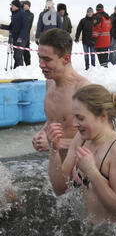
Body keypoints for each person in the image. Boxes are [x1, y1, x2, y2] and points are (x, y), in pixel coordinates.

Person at [46, 84, 116, 224]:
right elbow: (60, 189)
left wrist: (92, 172)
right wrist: (54, 151)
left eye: (80, 118)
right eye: (74, 117)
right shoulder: (81, 139)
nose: (75, 124)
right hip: (94, 231)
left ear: (102, 116)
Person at [32, 28, 90, 165]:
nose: (41, 65)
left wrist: (56, 144)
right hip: (57, 165)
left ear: (66, 58)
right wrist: (42, 133)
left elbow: (99, 140)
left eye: (47, 59)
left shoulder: (83, 90)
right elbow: (54, 121)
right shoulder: (50, 82)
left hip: (81, 170)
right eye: (39, 58)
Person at [0, 0, 29, 69]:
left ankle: (21, 72)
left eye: (12, 5)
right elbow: (11, 27)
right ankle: (17, 71)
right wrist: (1, 26)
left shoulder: (23, 14)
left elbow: (25, 27)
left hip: (21, 39)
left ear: (16, 6)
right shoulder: (14, 14)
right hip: (15, 38)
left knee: (18, 56)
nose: (11, 7)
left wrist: (21, 37)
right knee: (16, 56)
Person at [92, 3, 112, 68]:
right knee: (105, 57)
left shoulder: (97, 16)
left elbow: (97, 28)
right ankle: (105, 70)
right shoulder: (107, 17)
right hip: (107, 41)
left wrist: (94, 39)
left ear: (96, 9)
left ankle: (104, 71)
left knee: (101, 58)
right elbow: (110, 27)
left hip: (100, 41)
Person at [22, 0, 34, 66]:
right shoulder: (21, 13)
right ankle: (18, 67)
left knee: (26, 52)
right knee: (18, 52)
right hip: (19, 35)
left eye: (25, 4)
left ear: (28, 6)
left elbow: (27, 23)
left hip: (26, 36)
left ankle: (28, 65)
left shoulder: (31, 14)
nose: (23, 6)